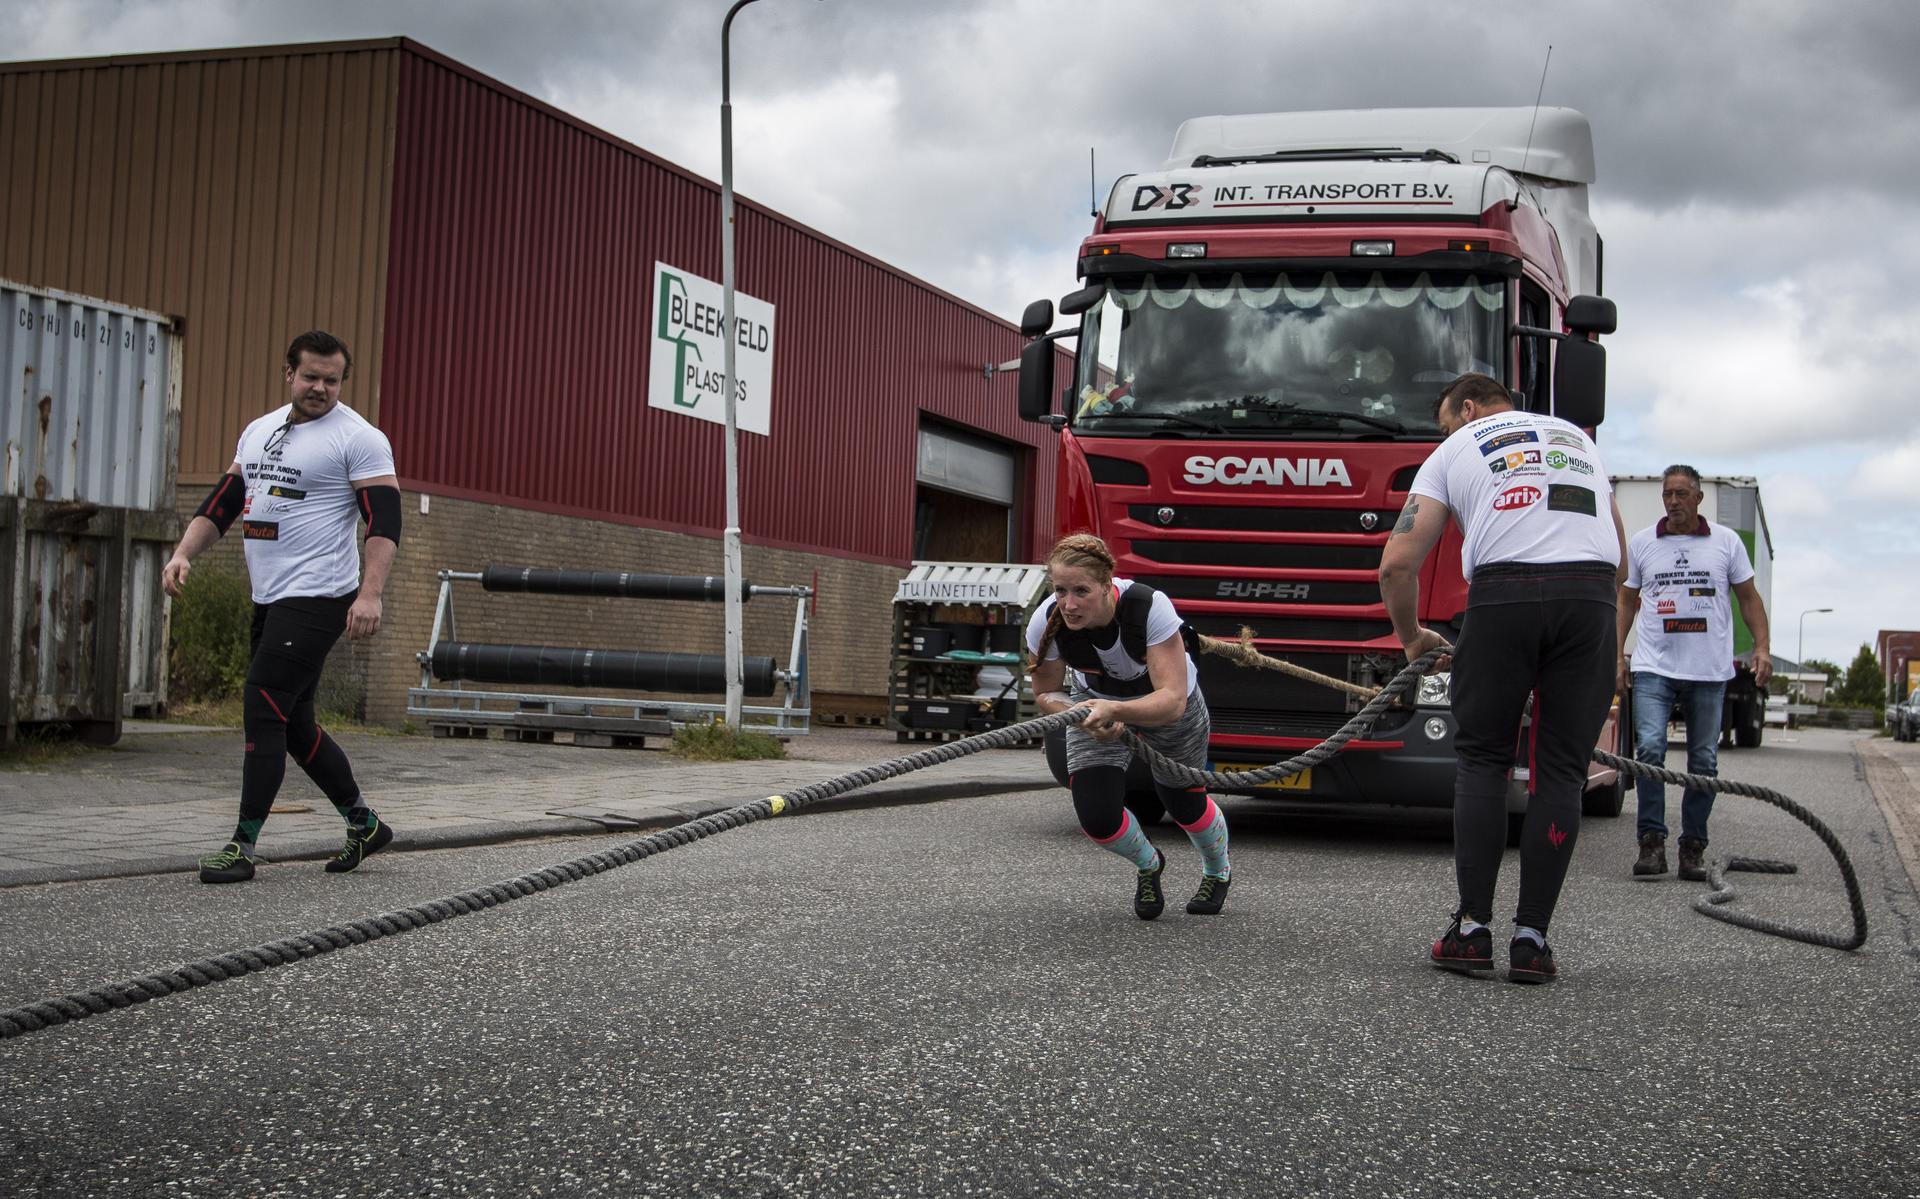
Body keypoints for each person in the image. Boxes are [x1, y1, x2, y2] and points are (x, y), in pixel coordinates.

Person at [1378, 373, 1627, 984]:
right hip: (1590, 597)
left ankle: (1471, 931)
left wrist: (1412, 638)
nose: (1444, 433)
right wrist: (1611, 650)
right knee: (1562, 771)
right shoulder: (1576, 439)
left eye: (1444, 422)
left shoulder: (1456, 448)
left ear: (1466, 409)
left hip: (1505, 593)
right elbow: (1618, 550)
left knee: (1485, 760)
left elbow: (1396, 564)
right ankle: (1532, 940)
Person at [162, 331, 403, 884]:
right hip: (269, 596)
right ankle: (364, 823)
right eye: (311, 376)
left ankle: (242, 847)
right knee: (294, 724)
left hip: (320, 594)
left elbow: (385, 520)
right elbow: (223, 502)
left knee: (260, 706)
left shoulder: (360, 438)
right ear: (287, 373)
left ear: (343, 381)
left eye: (332, 379)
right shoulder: (259, 430)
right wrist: (182, 553)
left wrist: (370, 593)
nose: (320, 387)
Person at [1026, 533, 1232, 920]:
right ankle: (1149, 862)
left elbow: (1172, 701)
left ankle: (1217, 870)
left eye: (1081, 591)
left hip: (1168, 708)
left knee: (1183, 803)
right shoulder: (1046, 621)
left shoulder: (1149, 607)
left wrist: (1116, 712)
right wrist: (1080, 712)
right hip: (1093, 707)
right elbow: (1047, 692)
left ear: (1107, 587)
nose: (1068, 604)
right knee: (1097, 817)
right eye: (1060, 590)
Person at [1617, 465, 1772, 881]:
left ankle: (1693, 847)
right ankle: (1651, 844)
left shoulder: (1726, 543)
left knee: (1703, 760)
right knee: (1649, 751)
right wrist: (1617, 655)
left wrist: (1761, 648)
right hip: (1654, 667)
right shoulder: (1642, 543)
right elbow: (1626, 602)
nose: (1673, 501)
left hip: (1708, 670)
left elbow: (1749, 599)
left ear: (1698, 498)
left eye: (1682, 494)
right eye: (1668, 494)